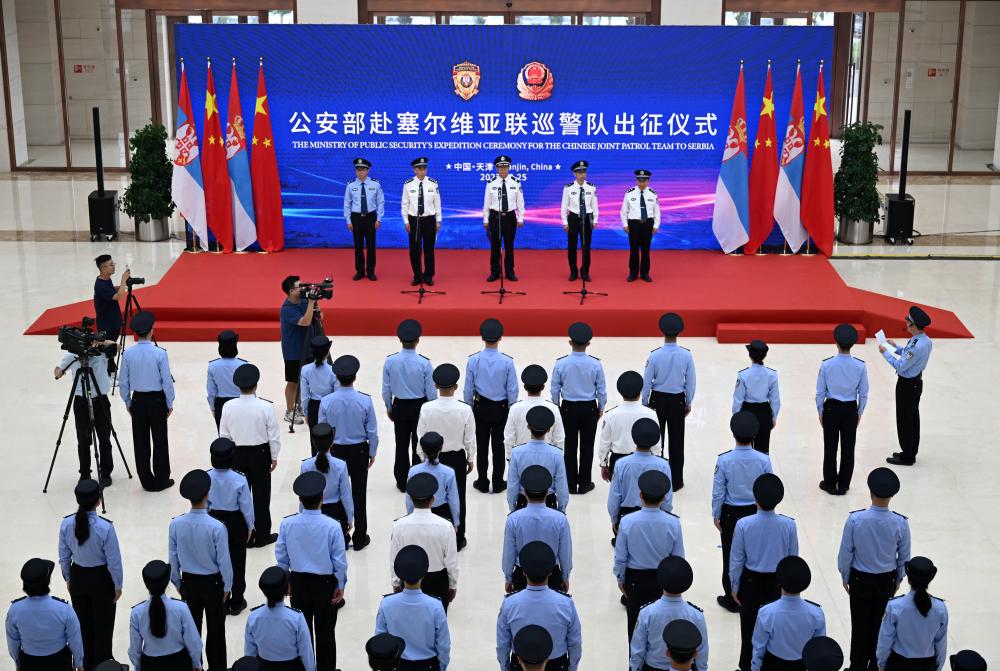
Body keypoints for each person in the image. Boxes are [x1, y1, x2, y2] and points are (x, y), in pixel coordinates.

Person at [838, 467, 911, 671]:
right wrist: (898, 579)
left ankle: (857, 665)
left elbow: (846, 552)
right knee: (881, 627)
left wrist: (845, 576)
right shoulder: (900, 523)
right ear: (892, 496)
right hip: (885, 581)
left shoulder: (855, 519)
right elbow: (904, 556)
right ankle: (876, 665)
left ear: (870, 492)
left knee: (859, 626)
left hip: (859, 580)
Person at [276, 472, 348, 671]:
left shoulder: (287, 524)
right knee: (326, 634)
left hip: (298, 583)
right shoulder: (333, 526)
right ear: (322, 498)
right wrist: (340, 584)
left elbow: (281, 557)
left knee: (302, 635)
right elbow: (339, 561)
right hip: (325, 585)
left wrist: (286, 581)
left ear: (300, 499)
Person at [731, 474, 799, 671]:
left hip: (750, 583)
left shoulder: (744, 524)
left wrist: (735, 585)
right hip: (778, 584)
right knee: (773, 630)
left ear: (755, 499)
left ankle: (746, 666)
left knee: (748, 630)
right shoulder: (788, 525)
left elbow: (737, 560)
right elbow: (792, 558)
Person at [169, 469, 232, 671]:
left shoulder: (176, 524)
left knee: (191, 631)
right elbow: (224, 562)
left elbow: (173, 558)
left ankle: (194, 667)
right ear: (207, 494)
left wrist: (178, 583)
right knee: (216, 632)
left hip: (189, 583)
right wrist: (227, 587)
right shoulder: (217, 527)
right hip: (213, 584)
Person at [712, 411, 773, 613]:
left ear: (733, 434)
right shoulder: (763, 460)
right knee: (752, 553)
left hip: (731, 514)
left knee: (731, 555)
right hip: (756, 511)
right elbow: (768, 487)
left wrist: (716, 514)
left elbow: (719, 491)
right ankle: (751, 594)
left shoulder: (724, 460)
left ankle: (731, 597)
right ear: (754, 435)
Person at [58, 479, 122, 669]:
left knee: (83, 627)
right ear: (98, 501)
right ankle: (104, 665)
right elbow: (114, 561)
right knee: (104, 628)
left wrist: (68, 578)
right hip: (102, 580)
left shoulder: (66, 524)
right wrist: (117, 585)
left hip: (78, 577)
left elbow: (63, 556)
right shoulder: (105, 527)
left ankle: (86, 664)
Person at [318, 354, 379, 551]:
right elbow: (372, 431)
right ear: (355, 377)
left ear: (336, 377)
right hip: (359, 450)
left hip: (335, 450)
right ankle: (360, 536)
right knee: (359, 493)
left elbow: (321, 430)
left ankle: (341, 535)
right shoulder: (365, 400)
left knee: (338, 493)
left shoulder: (326, 401)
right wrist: (372, 451)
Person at [615, 470, 684, 643]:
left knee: (635, 628)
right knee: (661, 630)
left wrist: (621, 579)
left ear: (640, 495)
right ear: (664, 498)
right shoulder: (673, 523)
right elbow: (678, 558)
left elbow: (621, 557)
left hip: (635, 580)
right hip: (663, 580)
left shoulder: (627, 521)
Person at [220, 363, 282, 548]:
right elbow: (273, 435)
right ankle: (262, 535)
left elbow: (224, 435)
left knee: (240, 497)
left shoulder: (228, 406)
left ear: (238, 386)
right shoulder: (265, 406)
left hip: (236, 454)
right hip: (260, 454)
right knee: (261, 496)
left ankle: (244, 535)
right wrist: (274, 456)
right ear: (256, 385)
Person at [496, 542, 582, 671]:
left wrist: (505, 668)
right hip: (557, 665)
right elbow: (575, 643)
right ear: (551, 572)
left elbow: (503, 644)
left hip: (520, 664)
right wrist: (572, 668)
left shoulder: (509, 604)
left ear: (523, 572)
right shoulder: (566, 604)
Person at [417, 363, 476, 550]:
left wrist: (422, 457)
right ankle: (458, 537)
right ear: (456, 386)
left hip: (432, 456)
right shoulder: (464, 409)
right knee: (457, 498)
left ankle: (432, 538)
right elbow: (469, 438)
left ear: (435, 385)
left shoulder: (426, 408)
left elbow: (420, 435)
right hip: (456, 458)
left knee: (431, 496)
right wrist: (470, 458)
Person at [119, 310, 174, 492]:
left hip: (138, 400)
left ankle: (146, 480)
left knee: (140, 441)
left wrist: (128, 402)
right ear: (151, 330)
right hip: (157, 400)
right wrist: (169, 402)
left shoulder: (128, 354)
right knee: (160, 440)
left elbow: (123, 381)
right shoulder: (160, 353)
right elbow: (166, 382)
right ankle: (161, 479)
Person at [551, 322, 607, 495]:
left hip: (568, 408)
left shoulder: (561, 363)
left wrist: (557, 406)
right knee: (587, 446)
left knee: (569, 447)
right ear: (588, 343)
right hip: (589, 408)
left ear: (570, 342)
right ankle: (584, 483)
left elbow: (554, 389)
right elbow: (601, 390)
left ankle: (569, 483)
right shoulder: (595, 364)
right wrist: (600, 408)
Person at [391, 473, 459, 613]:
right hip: (437, 581)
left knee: (411, 620)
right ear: (433, 499)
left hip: (408, 581)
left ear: (411, 499)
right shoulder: (446, 527)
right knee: (437, 621)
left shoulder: (399, 526)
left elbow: (394, 558)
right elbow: (451, 561)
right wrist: (452, 585)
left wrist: (396, 582)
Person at [642, 312, 696, 490]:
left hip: (657, 400)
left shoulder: (655, 355)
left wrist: (644, 403)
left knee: (656, 441)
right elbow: (691, 382)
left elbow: (647, 381)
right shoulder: (686, 355)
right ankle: (676, 481)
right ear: (679, 332)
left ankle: (656, 479)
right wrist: (688, 401)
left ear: (662, 332)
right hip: (677, 401)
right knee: (677, 442)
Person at [465, 319, 518, 494]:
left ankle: (482, 481)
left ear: (482, 338)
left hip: (480, 407)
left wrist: (469, 407)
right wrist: (511, 408)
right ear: (500, 338)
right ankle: (497, 482)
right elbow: (512, 389)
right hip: (501, 408)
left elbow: (468, 388)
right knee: (499, 447)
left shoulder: (473, 360)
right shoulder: (507, 361)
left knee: (482, 446)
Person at [376, 545, 451, 670]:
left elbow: (380, 638)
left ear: (401, 576)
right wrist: (441, 667)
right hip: (428, 665)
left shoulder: (387, 603)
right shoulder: (435, 606)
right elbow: (443, 644)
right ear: (423, 575)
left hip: (398, 664)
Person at [383, 319, 437, 491]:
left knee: (401, 444)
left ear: (400, 339)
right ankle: (416, 477)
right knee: (418, 444)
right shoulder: (424, 363)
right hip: (419, 407)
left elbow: (386, 388)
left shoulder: (390, 361)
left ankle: (401, 480)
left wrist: (389, 407)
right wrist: (431, 409)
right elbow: (431, 391)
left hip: (399, 406)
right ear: (418, 340)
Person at [816, 323, 869, 495]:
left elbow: (820, 392)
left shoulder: (827, 364)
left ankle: (830, 483)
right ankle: (844, 484)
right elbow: (863, 393)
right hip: (850, 409)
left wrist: (820, 411)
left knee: (830, 447)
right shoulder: (860, 366)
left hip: (831, 408)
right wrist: (859, 412)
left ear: (836, 342)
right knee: (848, 448)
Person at [629, 556, 708, 671]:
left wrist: (635, 668)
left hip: (652, 667)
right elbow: (702, 651)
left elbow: (638, 649)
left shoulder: (647, 612)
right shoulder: (696, 615)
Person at [55, 338, 116, 486]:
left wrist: (102, 342)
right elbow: (57, 372)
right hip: (81, 402)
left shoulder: (101, 352)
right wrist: (62, 370)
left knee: (104, 438)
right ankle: (85, 474)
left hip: (100, 400)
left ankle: (105, 473)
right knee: (83, 440)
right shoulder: (72, 355)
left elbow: (117, 347)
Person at [503, 465, 573, 593]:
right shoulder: (560, 519)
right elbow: (565, 553)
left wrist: (509, 578)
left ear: (524, 492)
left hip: (522, 575)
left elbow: (509, 553)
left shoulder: (513, 520)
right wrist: (565, 577)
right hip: (552, 575)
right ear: (547, 492)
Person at [5, 558, 84, 671]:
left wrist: (18, 662)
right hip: (59, 663)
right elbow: (75, 640)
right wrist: (78, 663)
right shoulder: (64, 609)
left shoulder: (14, 610)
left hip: (29, 663)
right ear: (48, 582)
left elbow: (13, 641)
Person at [751, 556, 826, 671]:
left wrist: (755, 668)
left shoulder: (766, 613)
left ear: (779, 582)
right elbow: (819, 647)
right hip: (802, 666)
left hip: (772, 665)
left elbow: (759, 647)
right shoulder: (816, 614)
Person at [880, 306, 934, 466]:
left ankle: (907, 456)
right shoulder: (924, 340)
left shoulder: (917, 346)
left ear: (913, 325)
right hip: (915, 383)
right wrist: (895, 347)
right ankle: (910, 451)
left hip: (907, 385)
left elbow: (901, 365)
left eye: (908, 321)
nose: (906, 323)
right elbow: (908, 354)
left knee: (905, 420)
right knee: (913, 419)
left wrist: (885, 352)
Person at [206, 438, 254, 616]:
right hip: (235, 522)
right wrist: (250, 527)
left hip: (214, 520)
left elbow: (205, 503)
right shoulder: (239, 479)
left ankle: (222, 599)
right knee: (237, 561)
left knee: (218, 560)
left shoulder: (207, 477)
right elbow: (246, 507)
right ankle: (237, 600)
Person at [608, 418, 674, 543]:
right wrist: (664, 517)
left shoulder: (621, 464)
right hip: (656, 514)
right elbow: (668, 498)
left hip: (626, 515)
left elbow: (614, 497)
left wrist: (614, 520)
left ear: (633, 438)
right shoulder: (663, 465)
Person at [128, 560, 202, 671]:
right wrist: (196, 664)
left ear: (146, 584)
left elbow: (135, 650)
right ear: (167, 582)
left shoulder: (137, 613)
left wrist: (138, 667)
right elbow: (194, 642)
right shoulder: (181, 608)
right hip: (180, 664)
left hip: (150, 665)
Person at [876, 557, 948, 671]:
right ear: (929, 580)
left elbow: (885, 640)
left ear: (909, 580)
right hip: (926, 665)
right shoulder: (940, 608)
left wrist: (882, 663)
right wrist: (938, 667)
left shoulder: (895, 606)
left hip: (898, 664)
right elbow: (941, 643)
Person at [244, 566, 316, 671]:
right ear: (287, 590)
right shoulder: (296, 618)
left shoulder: (253, 617)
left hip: (264, 667)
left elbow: (250, 653)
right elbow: (306, 653)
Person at [599, 371, 659, 481]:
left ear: (621, 393)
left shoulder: (611, 415)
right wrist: (657, 462)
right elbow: (656, 443)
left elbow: (604, 443)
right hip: (645, 461)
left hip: (618, 461)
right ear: (640, 392)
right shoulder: (650, 414)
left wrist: (603, 464)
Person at [508, 406, 571, 512]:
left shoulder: (516, 453)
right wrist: (561, 510)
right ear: (549, 429)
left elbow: (512, 485)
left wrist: (513, 508)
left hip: (523, 502)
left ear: (528, 427)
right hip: (549, 502)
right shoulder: (557, 454)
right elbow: (561, 486)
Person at [303, 423, 354, 548]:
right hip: (336, 514)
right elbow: (346, 495)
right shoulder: (340, 465)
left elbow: (304, 494)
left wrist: (303, 515)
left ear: (314, 443)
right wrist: (349, 518)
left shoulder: (306, 466)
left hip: (314, 513)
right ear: (332, 443)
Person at [280, 275, 323, 424]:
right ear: (291, 291)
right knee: (293, 381)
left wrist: (316, 307)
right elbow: (305, 322)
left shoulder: (305, 301)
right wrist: (311, 303)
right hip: (293, 351)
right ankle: (289, 410)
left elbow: (318, 317)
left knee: (304, 380)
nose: (304, 288)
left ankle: (300, 406)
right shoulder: (287, 309)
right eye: (300, 286)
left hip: (307, 347)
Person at [505, 365, 566, 456]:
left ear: (525, 387)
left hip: (522, 458)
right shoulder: (553, 408)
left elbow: (509, 439)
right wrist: (557, 459)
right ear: (543, 387)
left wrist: (511, 459)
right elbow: (559, 439)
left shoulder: (515, 408)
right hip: (548, 459)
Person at [732, 340, 780, 454]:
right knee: (763, 451)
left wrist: (735, 417)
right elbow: (775, 400)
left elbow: (738, 400)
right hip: (764, 412)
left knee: (745, 449)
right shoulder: (772, 374)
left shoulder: (743, 374)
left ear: (750, 355)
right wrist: (773, 418)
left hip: (746, 411)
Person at [483, 155, 525, 281]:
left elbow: (520, 202)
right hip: (495, 217)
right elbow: (486, 202)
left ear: (509, 167)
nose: (503, 169)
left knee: (509, 245)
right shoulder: (491, 183)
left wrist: (520, 218)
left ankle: (510, 272)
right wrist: (485, 219)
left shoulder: (515, 182)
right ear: (497, 168)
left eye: (505, 167)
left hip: (510, 217)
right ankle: (495, 272)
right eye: (500, 167)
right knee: (495, 246)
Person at [405, 434, 460, 529]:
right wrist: (455, 522)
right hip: (442, 513)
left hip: (419, 512)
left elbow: (409, 498)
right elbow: (453, 500)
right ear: (441, 449)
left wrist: (410, 516)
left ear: (422, 449)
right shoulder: (449, 472)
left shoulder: (413, 471)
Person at [402, 157, 442, 286]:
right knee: (415, 250)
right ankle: (417, 275)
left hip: (429, 220)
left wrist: (438, 220)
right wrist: (406, 221)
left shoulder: (433, 183)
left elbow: (437, 203)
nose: (422, 171)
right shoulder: (408, 184)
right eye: (419, 169)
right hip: (414, 220)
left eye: (424, 168)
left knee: (429, 249)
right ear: (414, 170)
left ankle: (428, 276)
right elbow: (404, 204)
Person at [344, 157, 384, 281]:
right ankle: (360, 271)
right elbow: (347, 204)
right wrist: (348, 220)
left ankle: (371, 271)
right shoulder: (350, 185)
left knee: (371, 246)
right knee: (358, 246)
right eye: (358, 170)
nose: (360, 172)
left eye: (363, 170)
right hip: (356, 218)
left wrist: (379, 219)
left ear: (368, 170)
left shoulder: (375, 184)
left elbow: (380, 202)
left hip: (371, 217)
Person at [561, 161, 598, 282]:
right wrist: (565, 222)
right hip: (573, 218)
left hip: (587, 218)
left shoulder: (591, 187)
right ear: (574, 173)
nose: (582, 175)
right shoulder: (568, 188)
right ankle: (573, 272)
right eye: (579, 172)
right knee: (572, 246)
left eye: (584, 172)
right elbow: (564, 206)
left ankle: (585, 272)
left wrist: (595, 220)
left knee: (586, 247)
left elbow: (594, 205)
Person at [620, 169, 660, 282]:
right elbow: (624, 210)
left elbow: (657, 211)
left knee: (646, 249)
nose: (642, 183)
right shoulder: (629, 193)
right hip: (634, 224)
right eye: (640, 181)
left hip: (648, 224)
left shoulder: (653, 193)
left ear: (648, 181)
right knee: (634, 249)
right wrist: (625, 224)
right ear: (636, 180)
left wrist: (656, 225)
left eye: (644, 181)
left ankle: (645, 273)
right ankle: (633, 273)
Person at [92, 254, 128, 371]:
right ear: (103, 268)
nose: (114, 266)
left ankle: (111, 370)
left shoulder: (105, 279)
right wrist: (123, 281)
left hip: (113, 321)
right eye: (111, 265)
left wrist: (121, 286)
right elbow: (118, 297)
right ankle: (109, 372)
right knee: (108, 351)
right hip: (107, 325)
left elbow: (111, 290)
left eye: (113, 264)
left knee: (111, 349)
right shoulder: (100, 285)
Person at [206, 330, 245, 431]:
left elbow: (211, 392)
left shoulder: (212, 366)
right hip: (241, 403)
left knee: (223, 437)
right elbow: (249, 388)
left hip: (221, 405)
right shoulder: (243, 365)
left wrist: (213, 408)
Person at [299, 336, 337, 433]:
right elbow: (337, 393)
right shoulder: (333, 371)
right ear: (327, 352)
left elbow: (304, 396)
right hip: (330, 406)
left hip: (314, 407)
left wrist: (306, 412)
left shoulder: (305, 369)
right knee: (331, 438)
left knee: (315, 439)